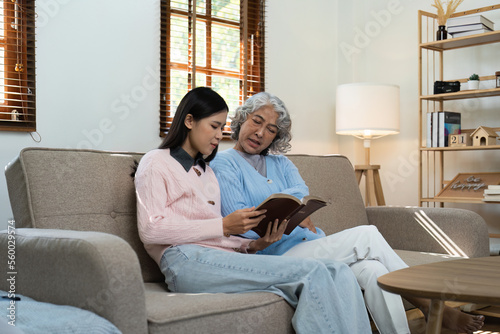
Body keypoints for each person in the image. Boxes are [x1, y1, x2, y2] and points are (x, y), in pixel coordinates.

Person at [210, 91, 485, 334]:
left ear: (276, 136)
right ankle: (431, 305)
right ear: (242, 119)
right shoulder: (224, 164)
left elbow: (298, 191)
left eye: (271, 129)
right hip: (275, 254)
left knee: (375, 270)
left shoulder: (281, 162)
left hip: (312, 244)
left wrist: (294, 208)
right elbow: (239, 219)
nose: (260, 133)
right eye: (257, 121)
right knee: (367, 235)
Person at [134, 87, 371, 334]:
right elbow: (151, 229)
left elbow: (216, 237)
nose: (219, 135)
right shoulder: (156, 161)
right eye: (214, 126)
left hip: (221, 257)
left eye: (221, 127)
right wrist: (224, 225)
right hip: (184, 260)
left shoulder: (205, 171)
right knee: (313, 272)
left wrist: (254, 246)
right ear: (189, 120)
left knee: (338, 270)